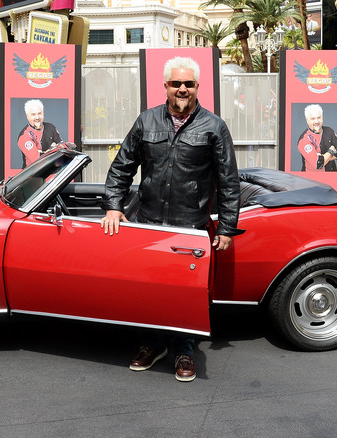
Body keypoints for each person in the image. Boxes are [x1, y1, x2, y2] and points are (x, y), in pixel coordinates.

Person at [100, 57, 243, 382]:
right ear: (165, 86)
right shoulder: (146, 121)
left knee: (184, 294)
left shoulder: (213, 126)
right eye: (176, 83)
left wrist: (227, 226)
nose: (182, 89)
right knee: (148, 290)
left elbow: (228, 179)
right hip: (148, 224)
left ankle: (184, 350)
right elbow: (122, 165)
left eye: (188, 84)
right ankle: (151, 344)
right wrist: (113, 205)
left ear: (197, 88)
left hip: (189, 227)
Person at [16, 99, 62, 168]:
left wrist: (43, 152)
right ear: (27, 116)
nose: (37, 117)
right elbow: (38, 160)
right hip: (33, 176)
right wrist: (53, 149)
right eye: (33, 114)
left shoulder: (50, 127)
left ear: (43, 113)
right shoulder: (24, 136)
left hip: (54, 173)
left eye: (39, 113)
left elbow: (62, 148)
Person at [296, 104, 337, 172]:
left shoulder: (329, 131)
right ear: (307, 120)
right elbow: (318, 164)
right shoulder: (304, 139)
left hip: (332, 176)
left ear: (322, 118)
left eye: (319, 118)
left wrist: (323, 158)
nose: (316, 122)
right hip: (311, 179)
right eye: (313, 119)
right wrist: (331, 150)